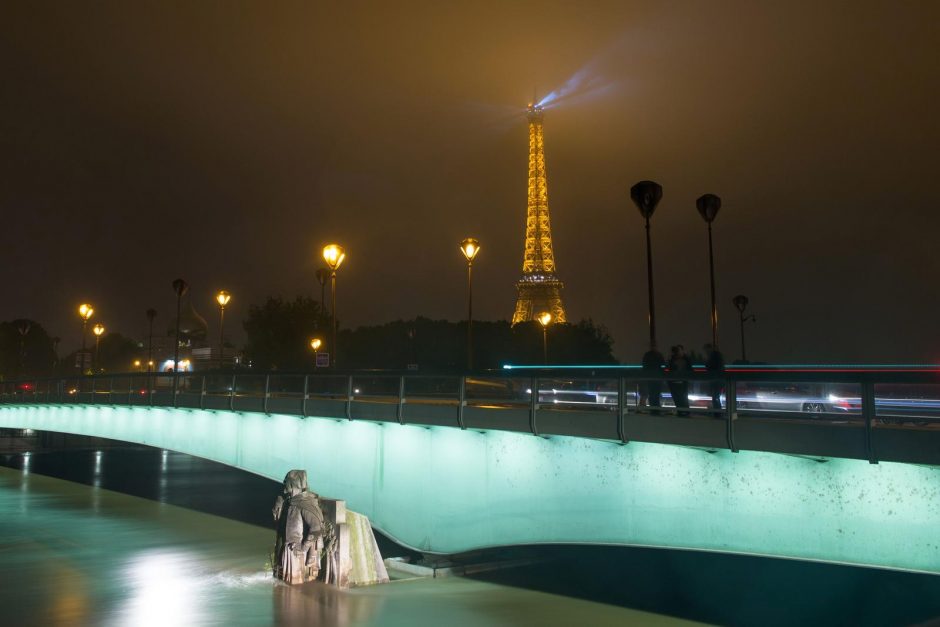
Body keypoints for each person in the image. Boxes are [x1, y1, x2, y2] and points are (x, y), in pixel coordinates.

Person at [667, 344, 692, 415]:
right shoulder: (672, 359)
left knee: (683, 398)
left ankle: (685, 412)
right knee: (677, 398)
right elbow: (669, 369)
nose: (677, 352)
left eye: (678, 350)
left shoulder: (686, 359)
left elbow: (690, 370)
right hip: (674, 382)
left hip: (682, 382)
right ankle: (681, 411)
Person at [641, 345, 666, 413]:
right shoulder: (659, 355)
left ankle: (653, 409)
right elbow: (663, 366)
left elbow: (644, 365)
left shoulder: (648, 355)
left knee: (652, 394)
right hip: (657, 378)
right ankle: (655, 409)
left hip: (651, 377)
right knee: (655, 394)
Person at [704, 343, 725, 411]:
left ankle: (717, 412)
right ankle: (717, 411)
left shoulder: (714, 356)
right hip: (717, 379)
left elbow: (711, 367)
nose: (706, 351)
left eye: (706, 349)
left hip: (716, 379)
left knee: (715, 396)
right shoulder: (716, 356)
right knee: (715, 396)